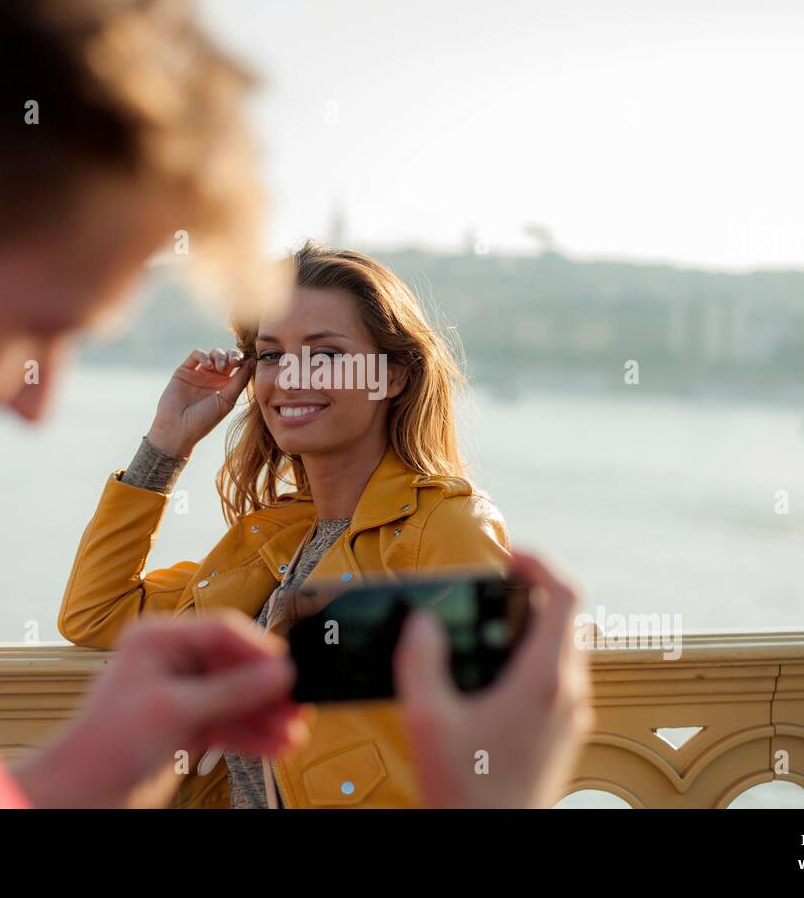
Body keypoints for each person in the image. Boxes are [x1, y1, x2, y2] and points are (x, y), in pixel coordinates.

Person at [0, 0, 591, 809]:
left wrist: (74, 776)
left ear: (393, 375)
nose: (36, 401)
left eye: (326, 351)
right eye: (34, 327)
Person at [60, 243, 532, 807]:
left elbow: (493, 751)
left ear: (395, 376)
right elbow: (96, 614)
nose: (290, 378)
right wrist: (166, 445)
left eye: (325, 353)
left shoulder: (442, 528)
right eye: (271, 355)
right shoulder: (275, 540)